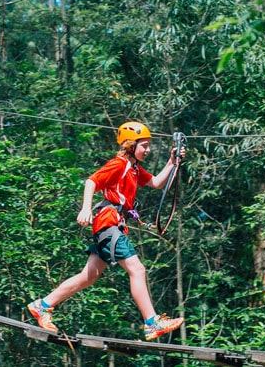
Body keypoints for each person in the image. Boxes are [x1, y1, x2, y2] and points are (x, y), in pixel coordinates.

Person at [27, 121, 185, 341]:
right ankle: (151, 322)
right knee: (137, 270)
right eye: (144, 146)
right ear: (131, 146)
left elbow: (157, 183)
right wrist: (85, 208)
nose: (148, 150)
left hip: (112, 224)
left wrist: (172, 162)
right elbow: (92, 182)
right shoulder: (119, 164)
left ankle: (42, 305)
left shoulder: (134, 169)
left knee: (89, 276)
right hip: (108, 222)